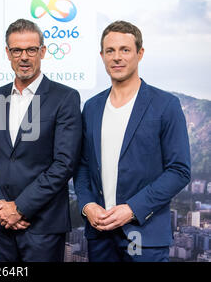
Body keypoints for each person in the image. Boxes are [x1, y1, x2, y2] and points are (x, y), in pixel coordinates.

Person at [73, 20, 191, 262]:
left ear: (140, 53)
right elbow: (83, 165)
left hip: (144, 236)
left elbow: (179, 171)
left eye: (125, 50)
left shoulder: (165, 105)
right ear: (102, 56)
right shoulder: (92, 107)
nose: (117, 57)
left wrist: (131, 210)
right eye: (110, 51)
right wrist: (87, 206)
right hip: (100, 234)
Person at [0, 19, 82, 262]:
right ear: (8, 53)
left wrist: (19, 207)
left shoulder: (65, 98)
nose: (24, 57)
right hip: (3, 224)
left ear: (42, 52)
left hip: (43, 226)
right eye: (17, 50)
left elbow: (64, 164)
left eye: (31, 50)